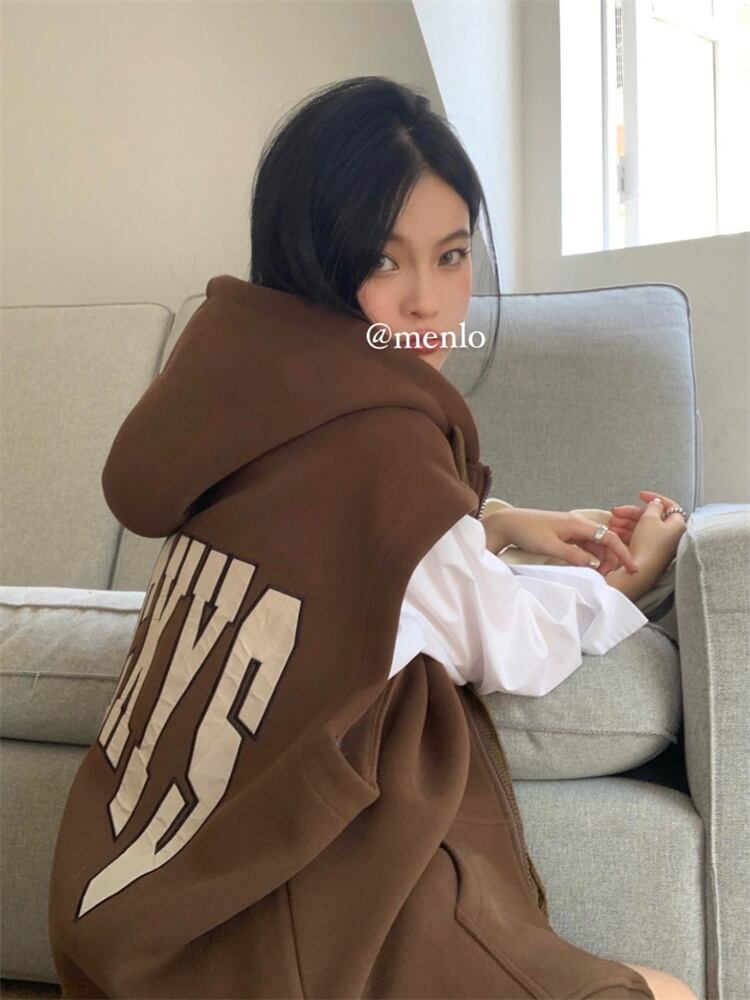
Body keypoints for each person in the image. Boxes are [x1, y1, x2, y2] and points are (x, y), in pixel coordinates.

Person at [47, 76, 699, 1000]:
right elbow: (511, 645)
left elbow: (335, 549)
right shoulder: (379, 449)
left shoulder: (232, 397)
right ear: (311, 260)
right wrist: (623, 581)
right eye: (383, 260)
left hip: (120, 901)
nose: (428, 302)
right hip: (286, 913)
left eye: (452, 254)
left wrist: (491, 523)